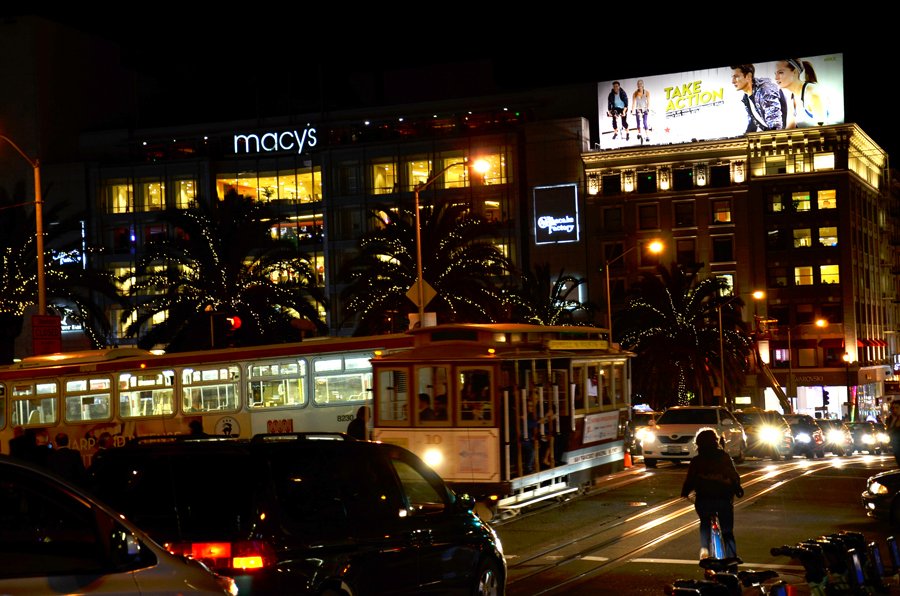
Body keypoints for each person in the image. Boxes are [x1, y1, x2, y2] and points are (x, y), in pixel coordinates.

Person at [680, 429, 743, 560]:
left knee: (704, 522)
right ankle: (732, 557)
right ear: (716, 442)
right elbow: (733, 476)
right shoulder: (724, 457)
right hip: (723, 498)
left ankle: (705, 551)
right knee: (727, 531)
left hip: (704, 499)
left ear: (698, 444)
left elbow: (690, 479)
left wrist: (685, 492)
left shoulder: (697, 461)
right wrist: (736, 487)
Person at [731, 64, 786, 133]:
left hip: (785, 137)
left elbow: (775, 123)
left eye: (736, 77)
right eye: (732, 77)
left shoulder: (765, 90)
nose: (732, 81)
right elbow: (753, 123)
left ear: (748, 76)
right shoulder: (746, 98)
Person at [774, 58, 828, 128]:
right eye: (775, 73)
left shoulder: (813, 93)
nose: (776, 78)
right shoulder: (791, 98)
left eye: (780, 72)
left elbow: (823, 130)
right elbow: (790, 129)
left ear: (795, 72)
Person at [885, 400, 900, 467]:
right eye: (893, 408)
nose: (895, 410)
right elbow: (888, 431)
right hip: (895, 443)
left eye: (897, 408)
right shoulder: (890, 419)